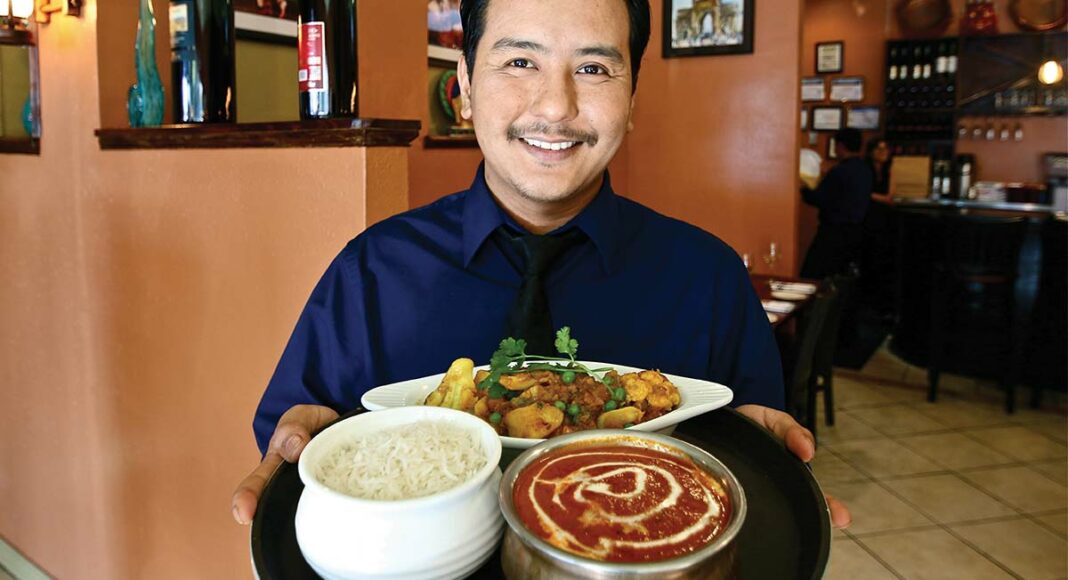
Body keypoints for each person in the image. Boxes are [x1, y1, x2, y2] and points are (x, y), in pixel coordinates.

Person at [231, 0, 850, 529]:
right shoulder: (371, 270)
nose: (556, 106)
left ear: (632, 97)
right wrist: (297, 448)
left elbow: (748, 459)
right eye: (520, 61)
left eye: (593, 67)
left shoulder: (710, 277)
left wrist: (760, 476)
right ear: (467, 87)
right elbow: (298, 440)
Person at [800, 128, 873, 280]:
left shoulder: (839, 171)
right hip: (858, 232)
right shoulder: (865, 170)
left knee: (812, 275)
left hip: (833, 234)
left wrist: (803, 187)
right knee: (842, 278)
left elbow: (819, 198)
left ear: (840, 146)